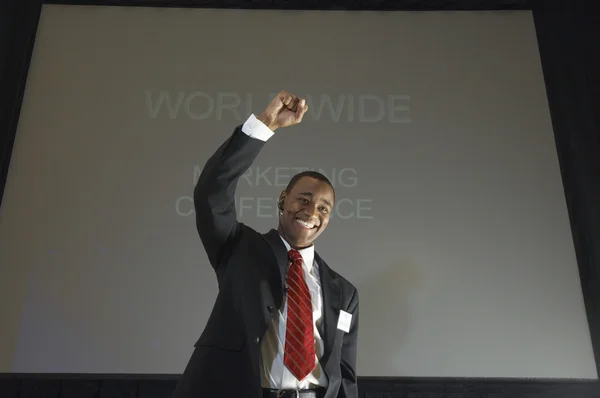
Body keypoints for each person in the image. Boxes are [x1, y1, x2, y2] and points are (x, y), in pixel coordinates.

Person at [171, 90, 359, 398]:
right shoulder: (240, 249)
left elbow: (345, 375)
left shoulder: (345, 292)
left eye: (324, 208)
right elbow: (211, 193)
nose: (312, 212)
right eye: (305, 199)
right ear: (283, 200)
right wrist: (265, 124)